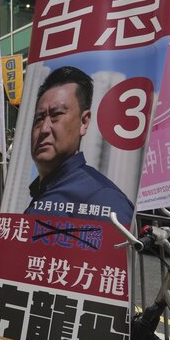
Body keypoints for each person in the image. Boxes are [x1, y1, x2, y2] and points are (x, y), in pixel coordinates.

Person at [24, 66, 134, 225]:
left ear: (84, 122)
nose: (44, 129)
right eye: (39, 118)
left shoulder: (103, 199)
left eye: (56, 115)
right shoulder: (41, 191)